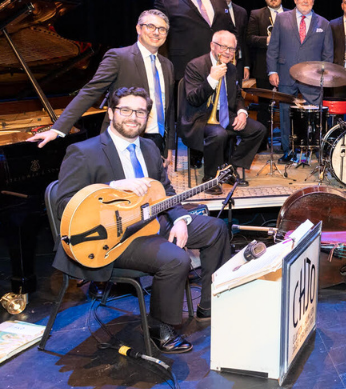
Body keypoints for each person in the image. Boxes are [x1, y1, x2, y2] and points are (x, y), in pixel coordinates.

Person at [52, 87, 231, 353]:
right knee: (175, 259)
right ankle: (161, 327)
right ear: (111, 112)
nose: (133, 117)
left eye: (140, 111)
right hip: (113, 237)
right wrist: (113, 186)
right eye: (125, 110)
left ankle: (210, 304)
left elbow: (166, 192)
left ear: (147, 117)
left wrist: (181, 219)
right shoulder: (83, 151)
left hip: (151, 222)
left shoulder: (149, 147)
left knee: (216, 229)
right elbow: (63, 202)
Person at [27, 10, 176, 167]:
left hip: (156, 140)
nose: (156, 32)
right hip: (124, 137)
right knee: (122, 189)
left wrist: (169, 146)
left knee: (153, 187)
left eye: (162, 29)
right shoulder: (119, 57)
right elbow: (90, 92)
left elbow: (169, 107)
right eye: (150, 26)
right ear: (138, 29)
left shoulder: (167, 65)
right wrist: (57, 129)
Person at [181, 31, 266, 194]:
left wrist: (242, 112)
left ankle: (228, 169)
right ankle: (210, 179)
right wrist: (211, 79)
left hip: (225, 114)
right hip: (200, 117)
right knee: (219, 134)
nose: (228, 52)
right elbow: (193, 99)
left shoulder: (232, 69)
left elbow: (238, 95)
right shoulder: (195, 65)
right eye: (224, 47)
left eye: (232, 49)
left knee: (258, 130)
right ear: (213, 46)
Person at [266, 0, 334, 157]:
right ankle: (288, 151)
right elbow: (273, 47)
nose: (305, 1)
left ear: (313, 0)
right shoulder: (281, 19)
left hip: (313, 77)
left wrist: (324, 77)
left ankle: (314, 148)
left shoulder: (324, 24)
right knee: (285, 113)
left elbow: (328, 54)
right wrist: (272, 71)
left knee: (315, 115)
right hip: (285, 73)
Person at [153, 0, 234, 79]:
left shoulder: (218, 0)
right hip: (183, 68)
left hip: (218, 65)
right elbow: (159, 36)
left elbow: (229, 29)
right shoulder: (166, 0)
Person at [246, 0, 286, 144]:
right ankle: (262, 143)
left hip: (287, 68)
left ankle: (287, 142)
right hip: (264, 67)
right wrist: (268, 40)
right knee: (264, 107)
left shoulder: (292, 14)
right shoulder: (256, 14)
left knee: (287, 106)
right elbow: (249, 38)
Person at [215, 0, 249, 80]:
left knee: (236, 93)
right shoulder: (210, 10)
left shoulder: (241, 12)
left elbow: (244, 39)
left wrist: (246, 65)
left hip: (237, 62)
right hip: (216, 61)